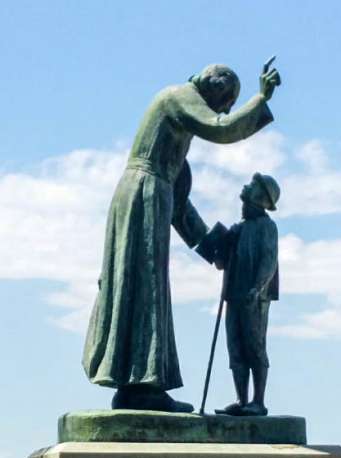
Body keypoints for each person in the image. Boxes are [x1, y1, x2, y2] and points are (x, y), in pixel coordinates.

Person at [82, 61, 281, 413]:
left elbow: (180, 206)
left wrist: (212, 249)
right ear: (214, 88)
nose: (224, 110)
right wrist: (261, 98)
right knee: (145, 284)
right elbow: (222, 130)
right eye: (226, 102)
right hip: (144, 194)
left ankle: (137, 386)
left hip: (150, 195)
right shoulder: (179, 97)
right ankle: (145, 385)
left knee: (145, 285)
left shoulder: (178, 128)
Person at [215, 172, 280, 416]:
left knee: (255, 347)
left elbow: (268, 260)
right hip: (234, 296)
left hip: (254, 298)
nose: (246, 188)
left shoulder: (267, 227)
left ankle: (258, 401)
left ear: (261, 199)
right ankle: (242, 401)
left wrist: (258, 288)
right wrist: (223, 243)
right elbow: (221, 263)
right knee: (235, 348)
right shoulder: (239, 229)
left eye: (252, 188)